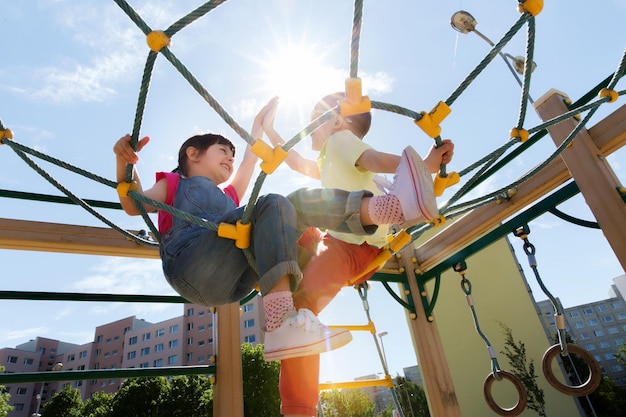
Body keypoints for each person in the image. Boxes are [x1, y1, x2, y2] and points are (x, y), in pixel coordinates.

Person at [113, 101, 355, 368]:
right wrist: (125, 162)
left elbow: (251, 160)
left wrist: (258, 126)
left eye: (232, 155)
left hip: (231, 283)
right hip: (190, 263)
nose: (230, 158)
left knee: (294, 218)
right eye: (223, 151)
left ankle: (371, 213)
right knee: (272, 204)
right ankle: (280, 322)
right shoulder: (175, 184)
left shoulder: (229, 196)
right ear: (193, 154)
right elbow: (133, 203)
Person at [261, 93, 455, 416]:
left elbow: (374, 159)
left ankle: (298, 407)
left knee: (298, 311)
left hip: (351, 246)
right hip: (347, 245)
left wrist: (422, 166)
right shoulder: (327, 159)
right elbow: (294, 161)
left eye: (315, 117)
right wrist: (270, 130)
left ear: (338, 120)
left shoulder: (339, 142)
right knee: (294, 231)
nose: (309, 126)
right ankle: (297, 403)